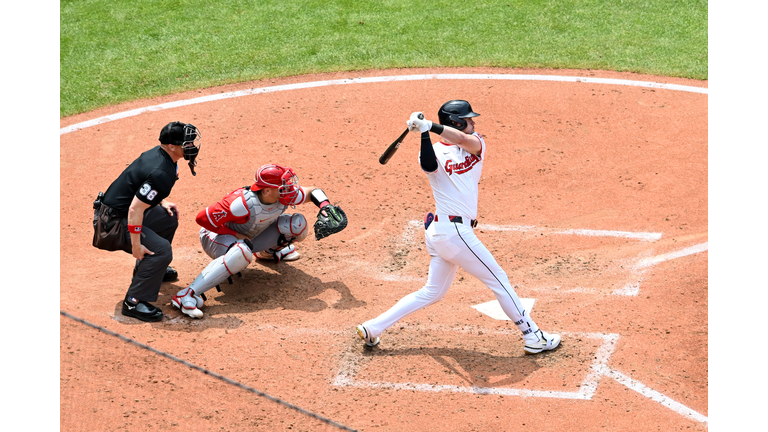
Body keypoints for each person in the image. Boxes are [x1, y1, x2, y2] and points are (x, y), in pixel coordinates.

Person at [355, 100, 561, 354]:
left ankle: (373, 327)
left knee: (432, 292)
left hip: (445, 233)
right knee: (498, 279)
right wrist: (423, 134)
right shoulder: (431, 152)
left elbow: (466, 142)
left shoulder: (476, 142)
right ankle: (533, 336)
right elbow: (429, 166)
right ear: (457, 122)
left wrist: (430, 125)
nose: (474, 122)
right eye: (469, 119)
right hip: (453, 233)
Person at [172, 163, 347, 318]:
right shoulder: (241, 204)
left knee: (298, 224)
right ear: (267, 190)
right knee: (242, 251)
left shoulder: (282, 195)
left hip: (250, 236)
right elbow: (202, 219)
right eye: (283, 186)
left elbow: (312, 191)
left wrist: (325, 205)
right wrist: (237, 236)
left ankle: (268, 253)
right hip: (216, 238)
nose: (289, 189)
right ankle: (187, 294)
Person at [92, 121, 202, 322]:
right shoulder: (161, 170)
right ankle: (133, 302)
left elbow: (139, 188)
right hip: (111, 225)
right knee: (161, 250)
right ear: (171, 146)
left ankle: (150, 269)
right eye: (187, 143)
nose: (192, 146)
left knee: (167, 217)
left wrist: (161, 200)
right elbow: (135, 209)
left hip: (119, 214)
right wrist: (137, 245)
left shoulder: (162, 157)